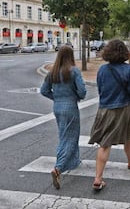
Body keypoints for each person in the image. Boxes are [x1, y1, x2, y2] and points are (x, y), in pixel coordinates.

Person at [88, 39, 130, 191]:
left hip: (105, 108)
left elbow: (100, 89)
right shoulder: (128, 70)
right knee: (128, 135)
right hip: (124, 108)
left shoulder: (102, 70)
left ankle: (98, 178)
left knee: (105, 144)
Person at [40, 45, 87, 190]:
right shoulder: (74, 71)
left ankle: (73, 161)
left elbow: (44, 91)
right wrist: (76, 97)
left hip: (58, 107)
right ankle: (58, 168)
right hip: (70, 107)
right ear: (71, 56)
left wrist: (56, 98)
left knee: (63, 135)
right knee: (71, 137)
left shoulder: (52, 72)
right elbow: (82, 91)